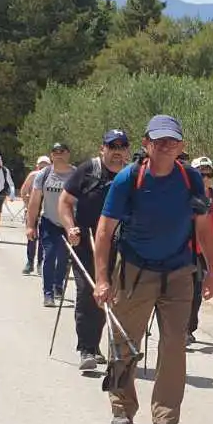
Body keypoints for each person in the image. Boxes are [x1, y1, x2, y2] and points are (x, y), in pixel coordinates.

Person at [92, 115, 213, 424]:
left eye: (171, 142)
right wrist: (102, 280)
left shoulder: (191, 179)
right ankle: (122, 406)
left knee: (175, 344)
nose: (165, 147)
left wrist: (212, 270)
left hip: (178, 271)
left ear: (182, 146)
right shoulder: (128, 180)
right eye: (158, 141)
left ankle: (165, 420)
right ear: (146, 144)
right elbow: (104, 233)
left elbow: (204, 227)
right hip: (135, 270)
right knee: (124, 340)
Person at [61, 130, 131, 372]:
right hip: (86, 242)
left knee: (109, 295)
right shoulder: (88, 170)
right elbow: (65, 202)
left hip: (118, 245)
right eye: (112, 146)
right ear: (103, 148)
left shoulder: (131, 175)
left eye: (122, 147)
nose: (117, 152)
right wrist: (70, 228)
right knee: (87, 292)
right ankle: (86, 348)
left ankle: (98, 344)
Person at [187, 156, 213, 344]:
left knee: (196, 290)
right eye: (201, 174)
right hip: (185, 247)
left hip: (205, 249)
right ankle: (181, 329)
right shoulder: (186, 193)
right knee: (184, 289)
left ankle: (188, 329)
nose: (205, 178)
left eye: (209, 174)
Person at [27, 144, 76, 306]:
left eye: (62, 152)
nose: (59, 155)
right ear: (51, 155)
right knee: (49, 255)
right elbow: (34, 202)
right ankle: (48, 293)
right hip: (49, 221)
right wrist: (30, 225)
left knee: (63, 256)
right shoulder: (44, 174)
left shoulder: (76, 174)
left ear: (68, 154)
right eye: (56, 152)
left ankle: (58, 285)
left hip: (69, 223)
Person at [21, 155, 50, 275]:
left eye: (46, 164)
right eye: (41, 164)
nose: (43, 166)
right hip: (33, 209)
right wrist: (28, 204)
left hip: (46, 210)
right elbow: (24, 191)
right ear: (37, 165)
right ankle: (29, 262)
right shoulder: (33, 175)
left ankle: (40, 263)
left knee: (43, 239)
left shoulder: (52, 176)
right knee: (31, 236)